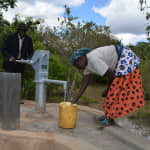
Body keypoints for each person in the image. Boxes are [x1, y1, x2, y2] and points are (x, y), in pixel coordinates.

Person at [70, 45, 145, 126]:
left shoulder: (93, 59)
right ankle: (108, 115)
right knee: (112, 92)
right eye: (75, 65)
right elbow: (85, 82)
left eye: (77, 63)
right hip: (120, 61)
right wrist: (75, 101)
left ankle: (110, 119)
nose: (77, 66)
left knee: (115, 91)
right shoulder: (87, 65)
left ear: (82, 58)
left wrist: (107, 89)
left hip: (125, 59)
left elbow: (111, 76)